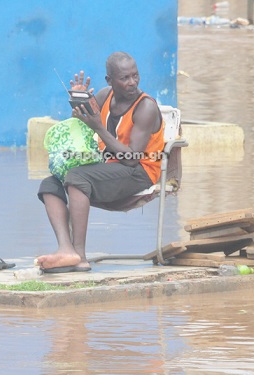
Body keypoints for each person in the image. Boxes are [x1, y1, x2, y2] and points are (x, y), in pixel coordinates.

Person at [36, 51, 164, 273]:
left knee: (76, 177)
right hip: (108, 167)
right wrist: (79, 101)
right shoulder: (105, 95)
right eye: (124, 78)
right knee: (50, 183)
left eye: (135, 75)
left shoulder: (146, 107)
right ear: (110, 81)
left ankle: (80, 256)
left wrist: (99, 128)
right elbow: (83, 122)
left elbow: (132, 159)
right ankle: (65, 249)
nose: (132, 82)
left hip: (139, 172)